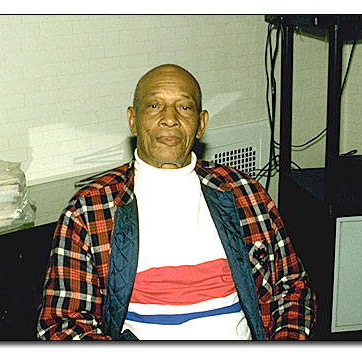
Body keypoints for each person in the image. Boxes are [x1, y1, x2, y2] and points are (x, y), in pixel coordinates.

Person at [37, 64, 316, 340]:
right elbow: (63, 325)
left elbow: (292, 287)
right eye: (154, 106)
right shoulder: (88, 211)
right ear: (133, 120)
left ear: (201, 124)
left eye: (184, 107)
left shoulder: (246, 194)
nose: (169, 119)